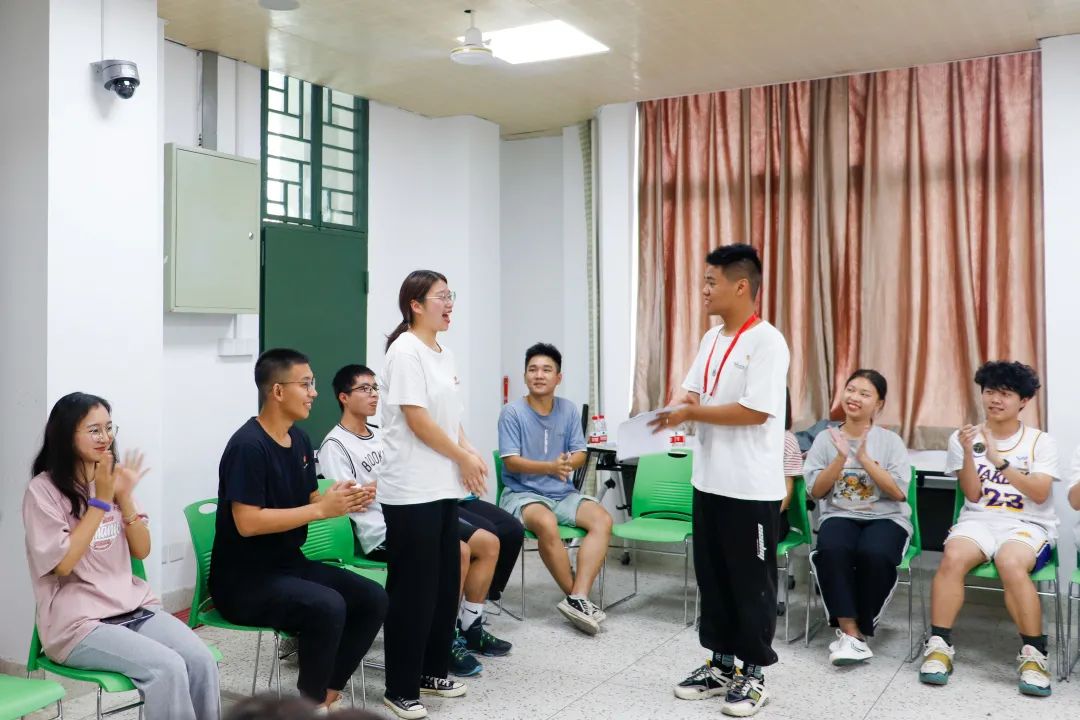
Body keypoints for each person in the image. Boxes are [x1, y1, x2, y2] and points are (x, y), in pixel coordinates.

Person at [651, 244, 789, 717]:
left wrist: (692, 412)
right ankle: (720, 664)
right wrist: (677, 407)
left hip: (750, 488)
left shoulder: (768, 342)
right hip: (708, 480)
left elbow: (755, 411)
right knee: (713, 578)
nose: (704, 289)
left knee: (751, 583)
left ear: (741, 286)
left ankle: (754, 674)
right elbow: (692, 391)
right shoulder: (711, 338)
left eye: (712, 282)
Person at [23, 392, 220, 720]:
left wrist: (124, 497)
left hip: (132, 607)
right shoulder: (42, 491)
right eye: (94, 430)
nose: (106, 437)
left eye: (109, 428)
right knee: (167, 668)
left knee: (201, 659)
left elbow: (142, 549)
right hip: (78, 624)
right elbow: (63, 564)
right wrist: (101, 502)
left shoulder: (110, 478)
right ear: (65, 435)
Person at [209, 349, 388, 710]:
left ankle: (324, 695)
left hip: (288, 565)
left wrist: (341, 498)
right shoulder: (248, 446)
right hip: (243, 582)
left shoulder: (301, 441)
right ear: (277, 391)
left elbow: (308, 498)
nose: (314, 392)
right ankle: (310, 705)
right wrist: (320, 509)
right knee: (328, 606)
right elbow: (248, 522)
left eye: (313, 384)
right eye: (305, 384)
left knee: (373, 598)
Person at [317, 363, 513, 680]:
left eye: (375, 388)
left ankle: (471, 625)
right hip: (379, 531)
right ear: (344, 397)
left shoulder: (380, 434)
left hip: (410, 512)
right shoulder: (335, 445)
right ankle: (444, 638)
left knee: (489, 543)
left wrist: (391, 482)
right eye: (364, 389)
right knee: (458, 552)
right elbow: (347, 500)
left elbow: (402, 473)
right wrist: (386, 484)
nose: (373, 394)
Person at [380, 270, 488, 719]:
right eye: (441, 297)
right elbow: (418, 420)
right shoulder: (405, 350)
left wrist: (469, 452)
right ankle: (400, 687)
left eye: (450, 296)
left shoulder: (444, 352)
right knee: (413, 591)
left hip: (443, 486)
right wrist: (461, 457)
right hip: (411, 490)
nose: (449, 304)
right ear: (416, 305)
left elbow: (449, 419)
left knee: (444, 585)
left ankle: (431, 671)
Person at [919, 361, 1059, 696]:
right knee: (953, 556)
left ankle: (1034, 655)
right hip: (978, 520)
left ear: (1024, 400)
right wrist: (969, 453)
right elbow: (972, 494)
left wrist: (1000, 462)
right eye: (990, 391)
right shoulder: (964, 438)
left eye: (1006, 394)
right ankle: (939, 646)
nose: (995, 399)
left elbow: (1039, 493)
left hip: (1028, 525)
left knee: (1010, 561)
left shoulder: (1040, 442)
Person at [497, 342, 612, 635]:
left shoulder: (568, 409)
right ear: (525, 375)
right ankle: (577, 599)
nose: (539, 375)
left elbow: (580, 452)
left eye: (547, 370)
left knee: (602, 519)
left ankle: (578, 596)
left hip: (562, 493)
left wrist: (566, 464)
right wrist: (550, 467)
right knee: (546, 522)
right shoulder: (512, 413)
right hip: (522, 494)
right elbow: (510, 462)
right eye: (533, 369)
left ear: (558, 377)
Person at [803, 370, 912, 666]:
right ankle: (851, 633)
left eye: (865, 394)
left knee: (874, 553)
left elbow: (898, 493)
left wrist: (864, 459)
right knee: (831, 550)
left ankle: (856, 632)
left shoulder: (890, 441)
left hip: (887, 517)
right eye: (851, 390)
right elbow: (816, 491)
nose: (854, 397)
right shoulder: (825, 439)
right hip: (839, 514)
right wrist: (840, 458)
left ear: (879, 404)